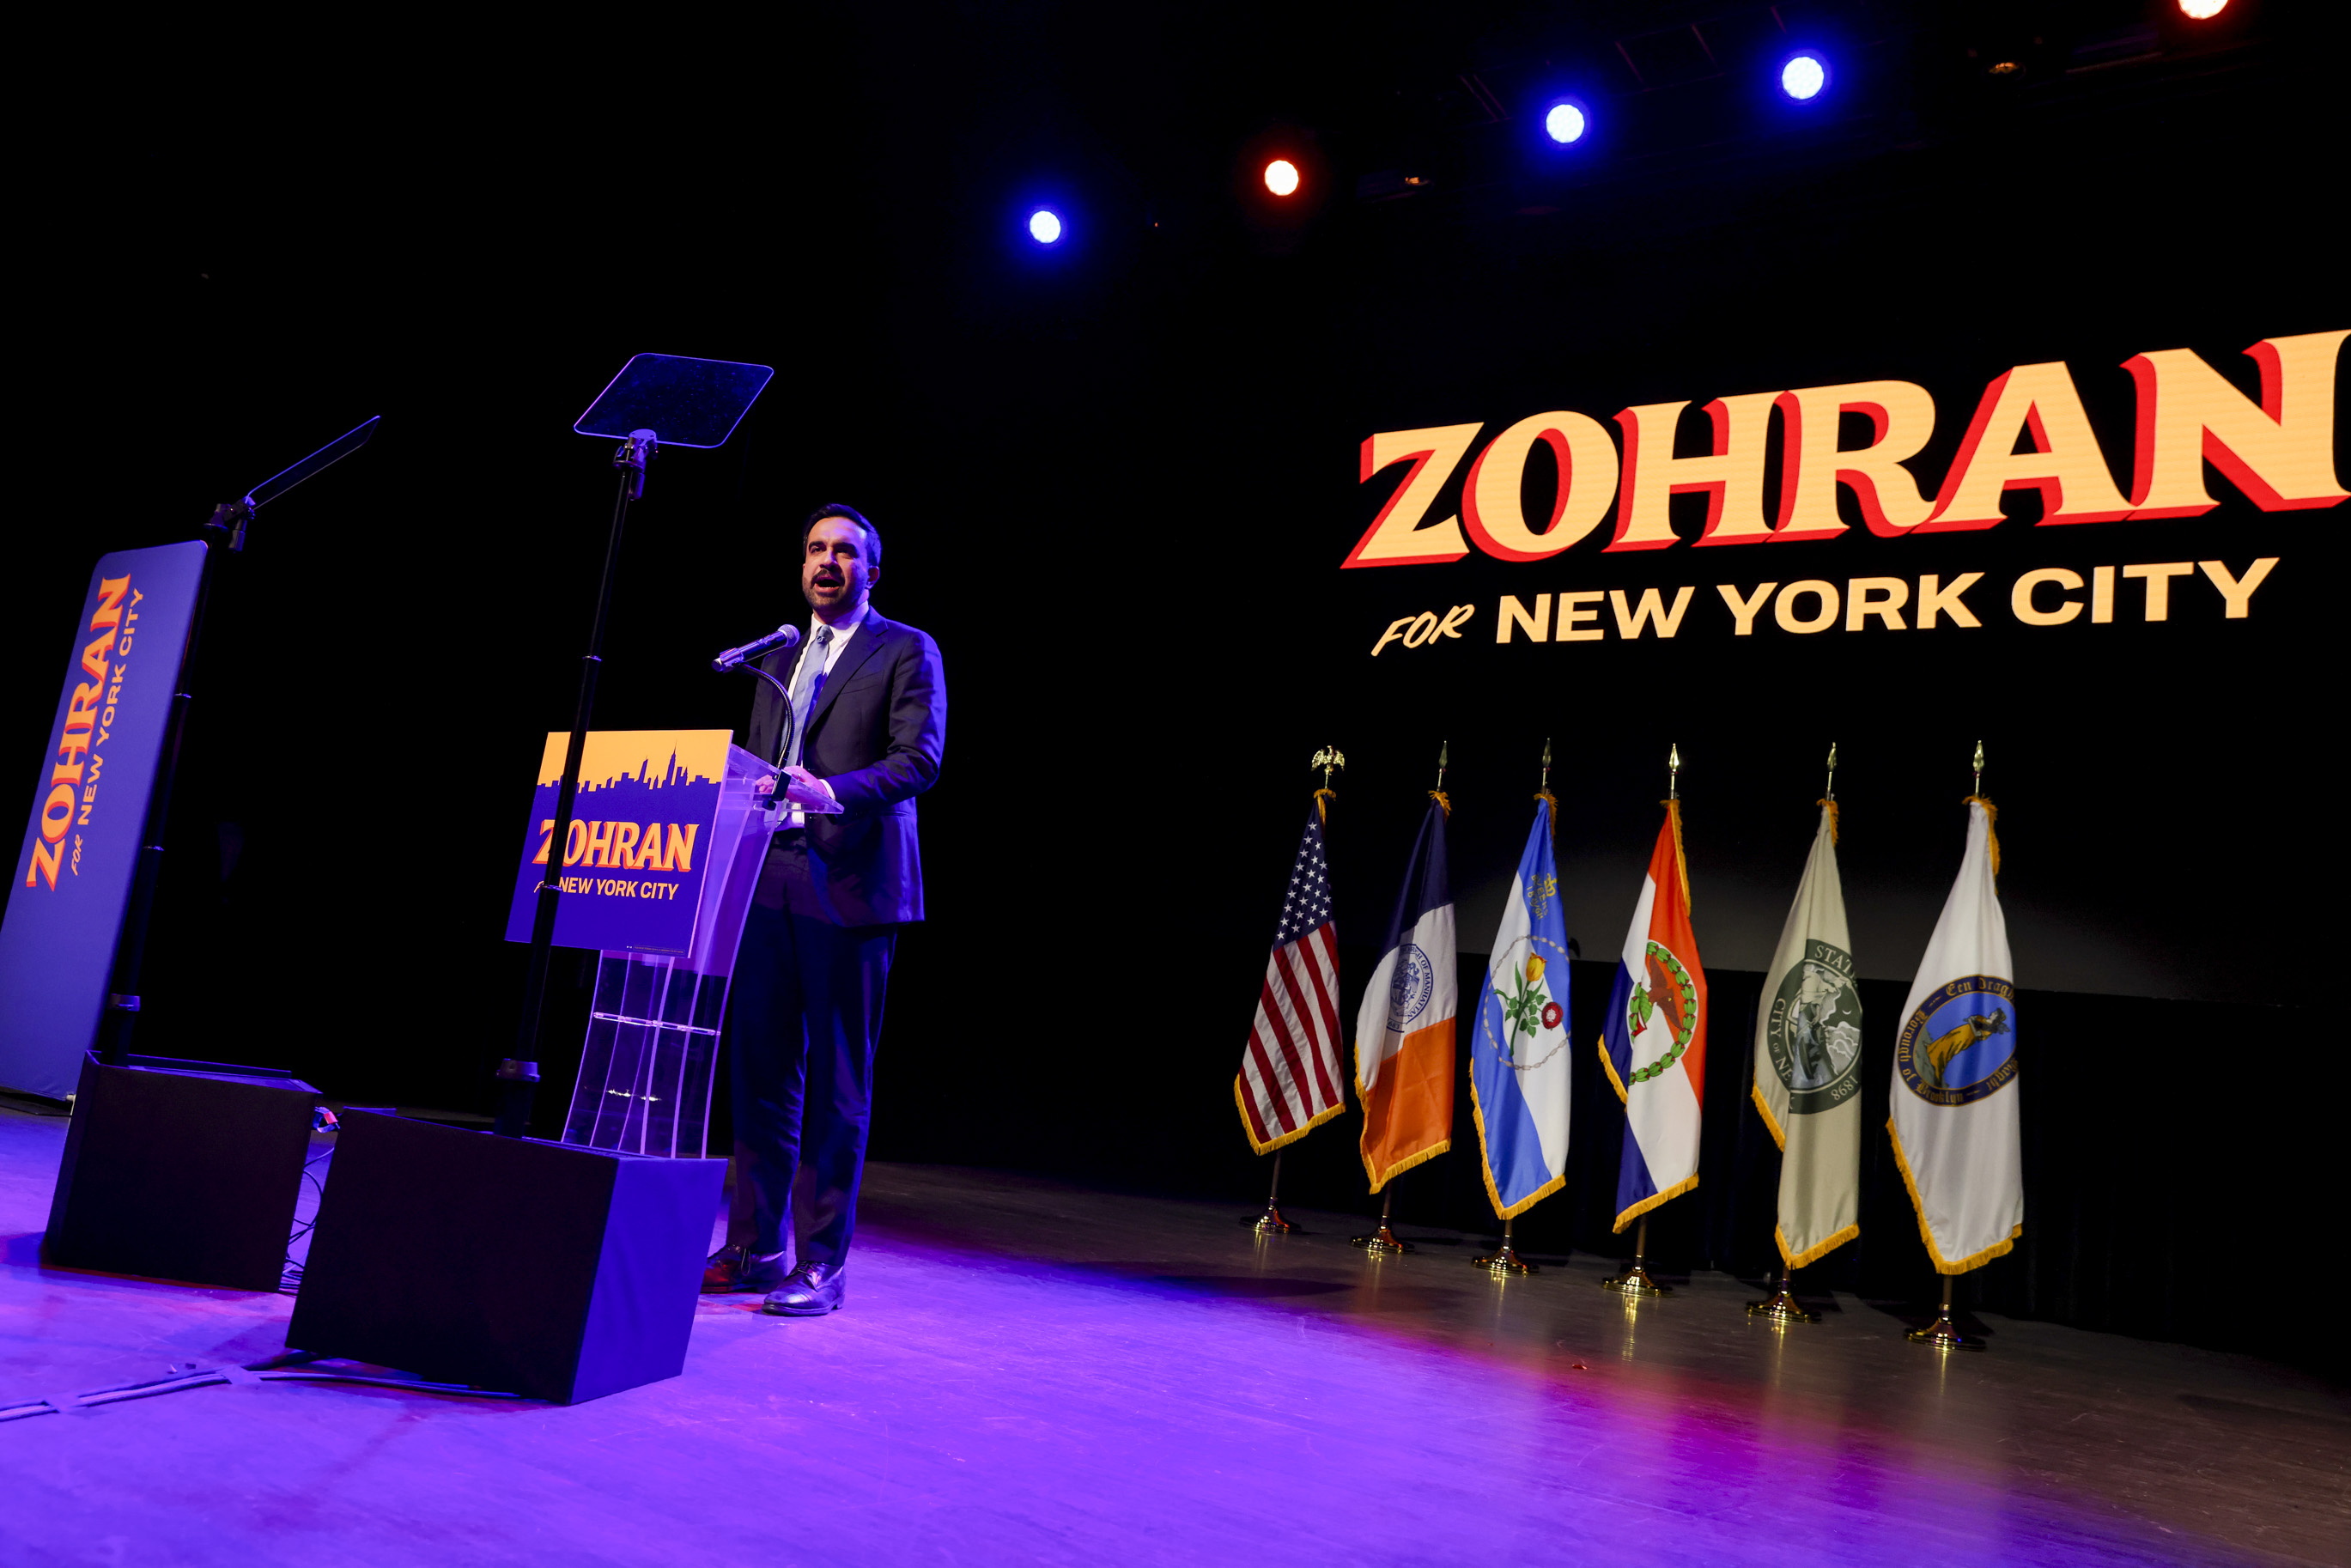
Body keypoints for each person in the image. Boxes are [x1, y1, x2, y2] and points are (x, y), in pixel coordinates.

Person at [703, 503, 945, 1316]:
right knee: (761, 1066)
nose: (827, 563)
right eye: (815, 550)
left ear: (872, 571)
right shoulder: (781, 655)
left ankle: (822, 1263)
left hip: (852, 882)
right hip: (768, 873)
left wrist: (832, 791)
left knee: (839, 1078)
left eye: (845, 552)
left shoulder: (905, 649)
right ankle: (755, 1245)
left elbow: (921, 759)